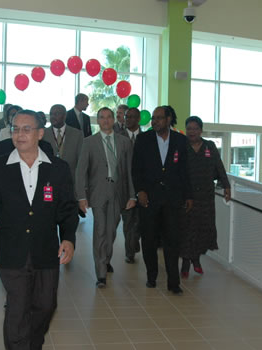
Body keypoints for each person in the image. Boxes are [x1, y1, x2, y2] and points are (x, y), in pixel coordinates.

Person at [0, 109, 78, 350]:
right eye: (15, 129)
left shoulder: (58, 169)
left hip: (46, 251)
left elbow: (68, 209)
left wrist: (68, 238)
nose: (20, 134)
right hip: (12, 252)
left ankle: (35, 340)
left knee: (46, 305)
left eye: (26, 129)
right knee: (17, 310)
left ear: (40, 134)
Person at [132, 106, 192, 295]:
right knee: (149, 239)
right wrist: (140, 191)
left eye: (159, 118)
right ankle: (152, 275)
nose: (155, 121)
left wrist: (188, 195)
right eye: (153, 118)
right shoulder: (143, 140)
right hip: (149, 198)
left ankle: (173, 282)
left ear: (168, 120)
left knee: (172, 240)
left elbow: (185, 171)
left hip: (173, 200)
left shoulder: (181, 141)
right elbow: (136, 168)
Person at [76, 107, 135, 287]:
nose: (106, 120)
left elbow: (130, 171)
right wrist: (81, 197)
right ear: (98, 121)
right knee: (100, 230)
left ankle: (105, 258)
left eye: (109, 117)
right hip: (98, 191)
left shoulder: (124, 142)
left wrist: (132, 195)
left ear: (114, 119)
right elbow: (80, 172)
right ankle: (100, 273)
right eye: (102, 117)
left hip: (119, 192)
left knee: (111, 231)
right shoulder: (89, 142)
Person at [179, 116, 231, 278]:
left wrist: (226, 185)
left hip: (205, 197)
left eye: (195, 128)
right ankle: (188, 262)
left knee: (203, 229)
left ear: (201, 130)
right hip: (186, 196)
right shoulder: (181, 146)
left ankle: (195, 258)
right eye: (189, 128)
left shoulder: (210, 146)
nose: (192, 131)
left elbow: (219, 167)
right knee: (187, 229)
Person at [121, 107, 142, 263]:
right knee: (128, 221)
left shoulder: (148, 137)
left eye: (132, 117)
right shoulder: (118, 137)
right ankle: (130, 251)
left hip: (143, 187)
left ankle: (134, 241)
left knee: (140, 221)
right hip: (124, 187)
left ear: (138, 119)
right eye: (127, 117)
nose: (128, 120)